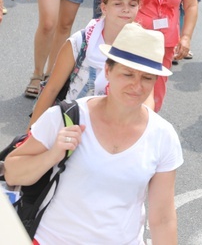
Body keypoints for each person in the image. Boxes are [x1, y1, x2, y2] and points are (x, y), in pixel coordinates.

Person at [4, 23, 183, 244]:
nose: (137, 86)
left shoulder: (163, 136)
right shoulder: (66, 117)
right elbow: (12, 172)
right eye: (128, 74)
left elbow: (163, 219)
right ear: (108, 71)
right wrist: (52, 155)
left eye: (147, 78)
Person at [28, 0, 143, 127]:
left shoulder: (142, 46)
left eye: (132, 4)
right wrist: (31, 131)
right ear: (104, 7)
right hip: (72, 125)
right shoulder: (80, 41)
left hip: (116, 130)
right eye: (118, 4)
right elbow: (52, 88)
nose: (126, 10)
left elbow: (146, 97)